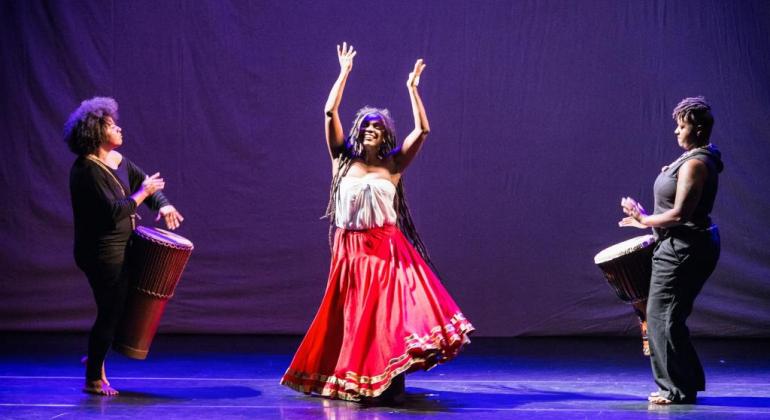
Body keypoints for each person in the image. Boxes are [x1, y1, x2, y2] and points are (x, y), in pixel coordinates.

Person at [280, 43, 474, 402]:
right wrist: (343, 74)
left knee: (391, 315)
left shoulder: (394, 165)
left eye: (378, 126)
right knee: (356, 317)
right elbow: (328, 111)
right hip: (351, 250)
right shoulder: (341, 159)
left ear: (385, 135)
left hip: (386, 247)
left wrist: (413, 91)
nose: (371, 128)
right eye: (366, 124)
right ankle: (360, 378)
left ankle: (393, 379)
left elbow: (424, 131)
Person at [65, 97, 184, 396]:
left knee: (119, 307)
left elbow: (147, 184)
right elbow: (113, 212)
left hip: (122, 247)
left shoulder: (117, 162)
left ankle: (96, 357)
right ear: (95, 132)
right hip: (101, 251)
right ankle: (93, 377)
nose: (118, 127)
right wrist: (143, 193)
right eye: (110, 124)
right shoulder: (86, 170)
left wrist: (164, 204)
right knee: (110, 310)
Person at [619, 96, 722, 405]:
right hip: (679, 245)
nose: (677, 132)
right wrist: (646, 217)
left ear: (699, 128)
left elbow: (679, 215)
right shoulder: (693, 158)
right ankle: (684, 382)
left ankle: (675, 389)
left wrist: (643, 220)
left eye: (682, 126)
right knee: (666, 315)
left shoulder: (695, 164)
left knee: (662, 316)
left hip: (683, 248)